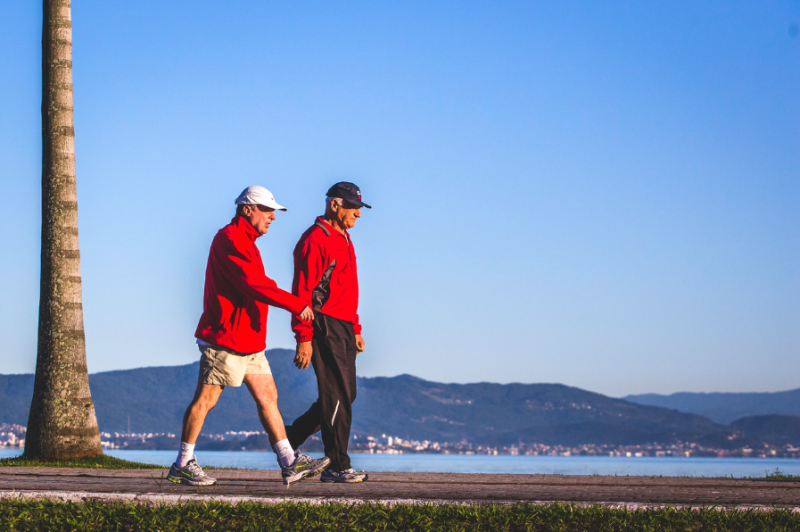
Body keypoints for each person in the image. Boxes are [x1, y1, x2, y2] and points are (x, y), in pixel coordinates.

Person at [167, 186, 330, 486]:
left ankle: (289, 462)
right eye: (267, 210)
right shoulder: (229, 239)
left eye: (274, 212)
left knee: (268, 395)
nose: (273, 217)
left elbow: (257, 283)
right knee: (206, 399)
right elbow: (253, 284)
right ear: (247, 210)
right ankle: (183, 463)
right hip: (225, 338)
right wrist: (296, 304)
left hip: (249, 340)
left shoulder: (248, 243)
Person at [285, 181, 371, 483]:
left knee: (347, 394)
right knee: (336, 396)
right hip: (323, 323)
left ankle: (289, 438)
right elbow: (302, 292)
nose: (358, 214)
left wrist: (355, 327)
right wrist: (304, 337)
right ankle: (337, 466)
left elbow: (347, 287)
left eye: (359, 208)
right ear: (335, 204)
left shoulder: (344, 237)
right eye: (354, 207)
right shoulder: (315, 239)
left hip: (345, 325)